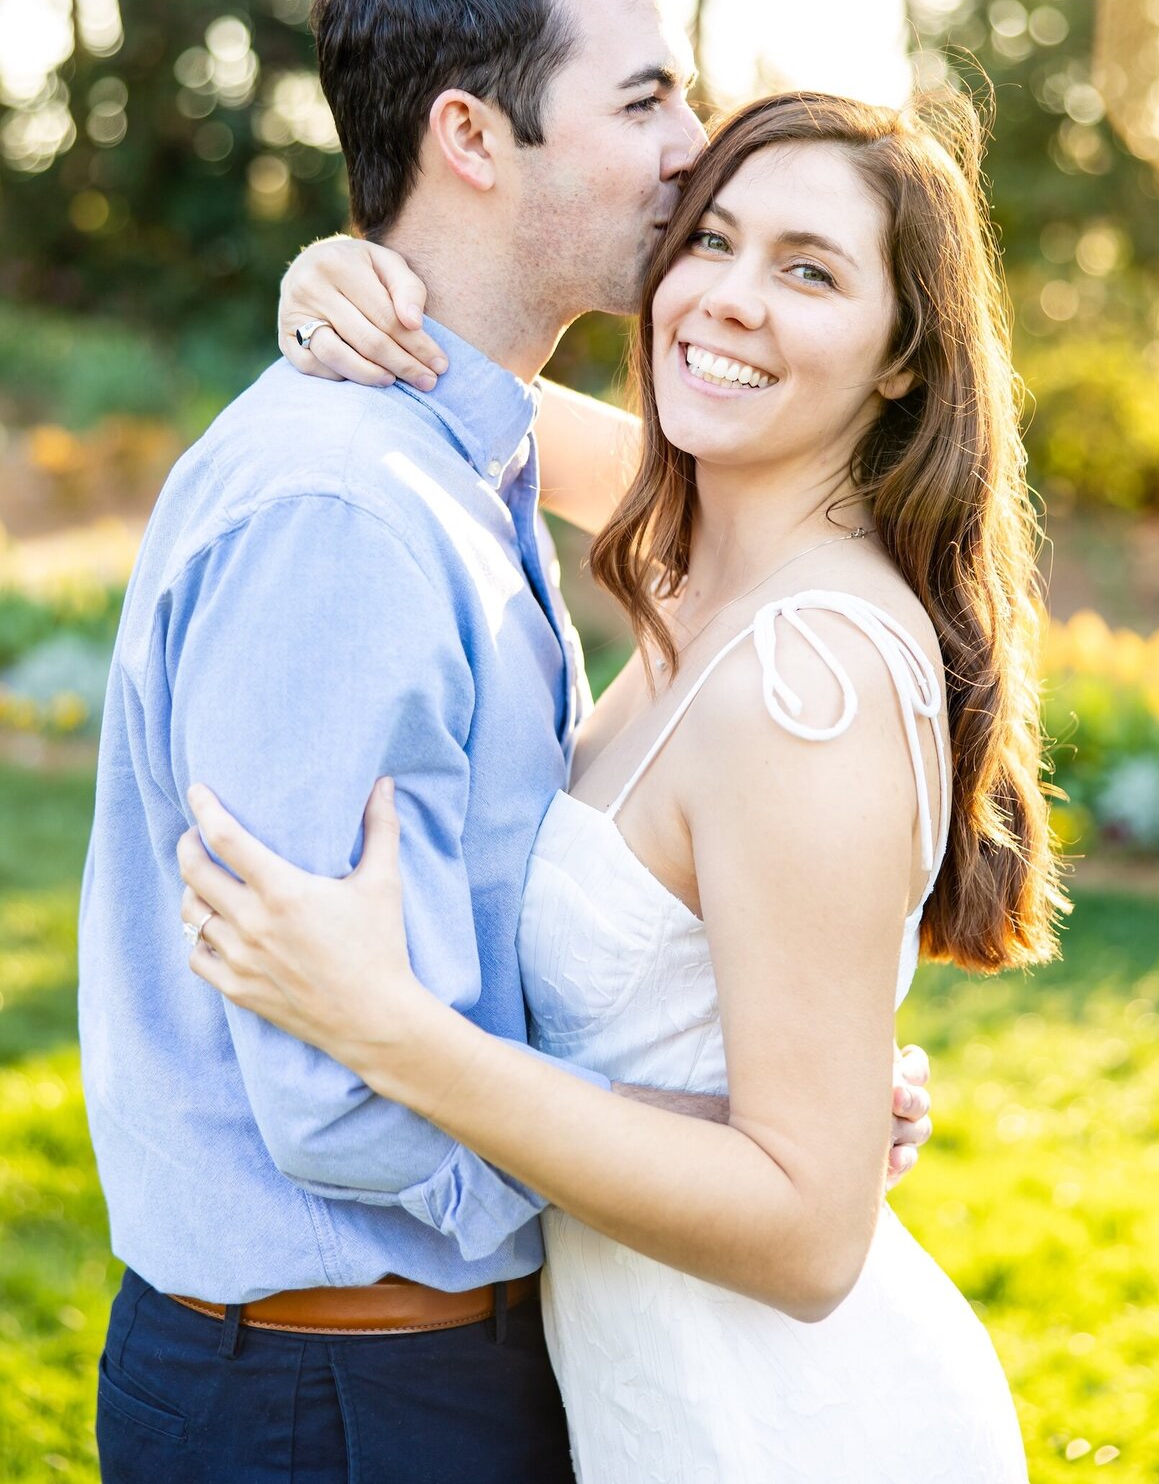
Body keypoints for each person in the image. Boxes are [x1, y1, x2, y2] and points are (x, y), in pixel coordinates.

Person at [79, 0, 932, 1484]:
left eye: (808, 268)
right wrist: (724, 1149)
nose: (695, 145)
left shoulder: (488, 466)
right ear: (472, 137)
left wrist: (774, 1137)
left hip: (450, 1379)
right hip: (333, 1404)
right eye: (647, 97)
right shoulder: (350, 513)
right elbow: (336, 1098)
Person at [178, 87, 1067, 1481]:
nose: (727, 300)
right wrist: (341, 279)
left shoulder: (801, 680)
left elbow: (810, 1232)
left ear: (904, 357)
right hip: (650, 1404)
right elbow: (464, 384)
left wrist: (389, 1030)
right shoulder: (699, 561)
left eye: (810, 270)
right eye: (709, 239)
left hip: (784, 1431)